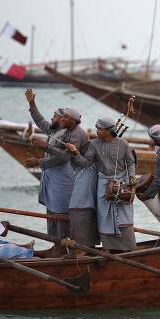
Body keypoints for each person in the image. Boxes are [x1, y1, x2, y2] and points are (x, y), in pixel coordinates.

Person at [67, 117, 136, 252]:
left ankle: (128, 248)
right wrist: (75, 152)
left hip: (121, 183)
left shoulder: (123, 144)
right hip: (103, 183)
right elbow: (85, 162)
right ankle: (108, 248)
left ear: (109, 131)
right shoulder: (94, 144)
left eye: (99, 129)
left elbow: (130, 163)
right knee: (104, 216)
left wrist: (131, 178)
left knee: (124, 216)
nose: (97, 131)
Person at [24, 88, 73, 243]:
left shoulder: (67, 135)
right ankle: (56, 246)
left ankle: (65, 246)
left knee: (61, 213)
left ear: (63, 119)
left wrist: (39, 162)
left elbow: (62, 159)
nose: (51, 119)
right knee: (51, 213)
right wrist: (32, 104)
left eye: (54, 116)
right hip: (52, 182)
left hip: (62, 183)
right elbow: (40, 121)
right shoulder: (53, 131)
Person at [55, 107, 97, 250]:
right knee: (76, 208)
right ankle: (81, 245)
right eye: (62, 117)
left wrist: (45, 147)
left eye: (65, 117)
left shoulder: (77, 134)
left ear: (73, 121)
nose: (62, 119)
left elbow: (66, 157)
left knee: (77, 208)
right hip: (79, 172)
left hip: (86, 172)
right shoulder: (67, 131)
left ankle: (83, 246)